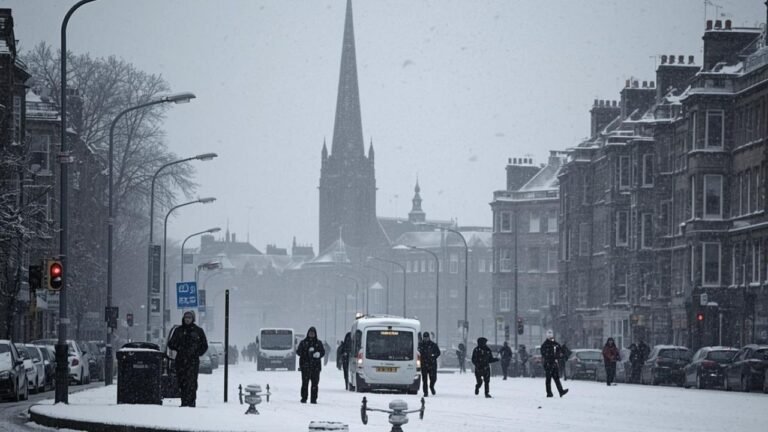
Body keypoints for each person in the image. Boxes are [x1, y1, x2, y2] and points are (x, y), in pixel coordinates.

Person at [167, 310, 208, 407]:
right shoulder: (179, 330)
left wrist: (197, 353)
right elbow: (171, 343)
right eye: (186, 317)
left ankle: (191, 402)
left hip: (193, 361)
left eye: (189, 317)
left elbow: (204, 345)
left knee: (192, 382)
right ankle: (184, 401)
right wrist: (179, 348)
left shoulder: (198, 331)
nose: (187, 319)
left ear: (193, 319)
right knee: (182, 381)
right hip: (180, 360)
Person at [296, 326, 325, 404]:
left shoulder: (318, 343)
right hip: (305, 366)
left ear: (315, 334)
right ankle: (304, 397)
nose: (311, 334)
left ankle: (313, 399)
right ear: (308, 333)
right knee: (305, 383)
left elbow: (323, 352)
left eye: (313, 333)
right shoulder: (303, 342)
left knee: (315, 383)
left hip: (316, 367)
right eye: (310, 333)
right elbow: (298, 352)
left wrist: (318, 354)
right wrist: (305, 353)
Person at [541, 330, 568, 398]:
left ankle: (560, 391)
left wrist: (562, 351)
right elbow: (545, 354)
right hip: (549, 364)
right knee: (549, 379)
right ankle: (550, 393)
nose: (551, 338)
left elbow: (559, 350)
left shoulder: (551, 344)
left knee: (556, 378)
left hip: (552, 363)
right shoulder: (547, 344)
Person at [418, 332, 441, 396]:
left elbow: (438, 353)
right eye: (424, 338)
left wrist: (433, 356)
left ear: (429, 337)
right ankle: (425, 392)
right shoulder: (420, 345)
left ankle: (431, 386)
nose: (426, 339)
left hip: (432, 364)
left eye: (427, 337)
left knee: (433, 378)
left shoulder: (433, 345)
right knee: (424, 380)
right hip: (424, 364)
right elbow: (418, 352)